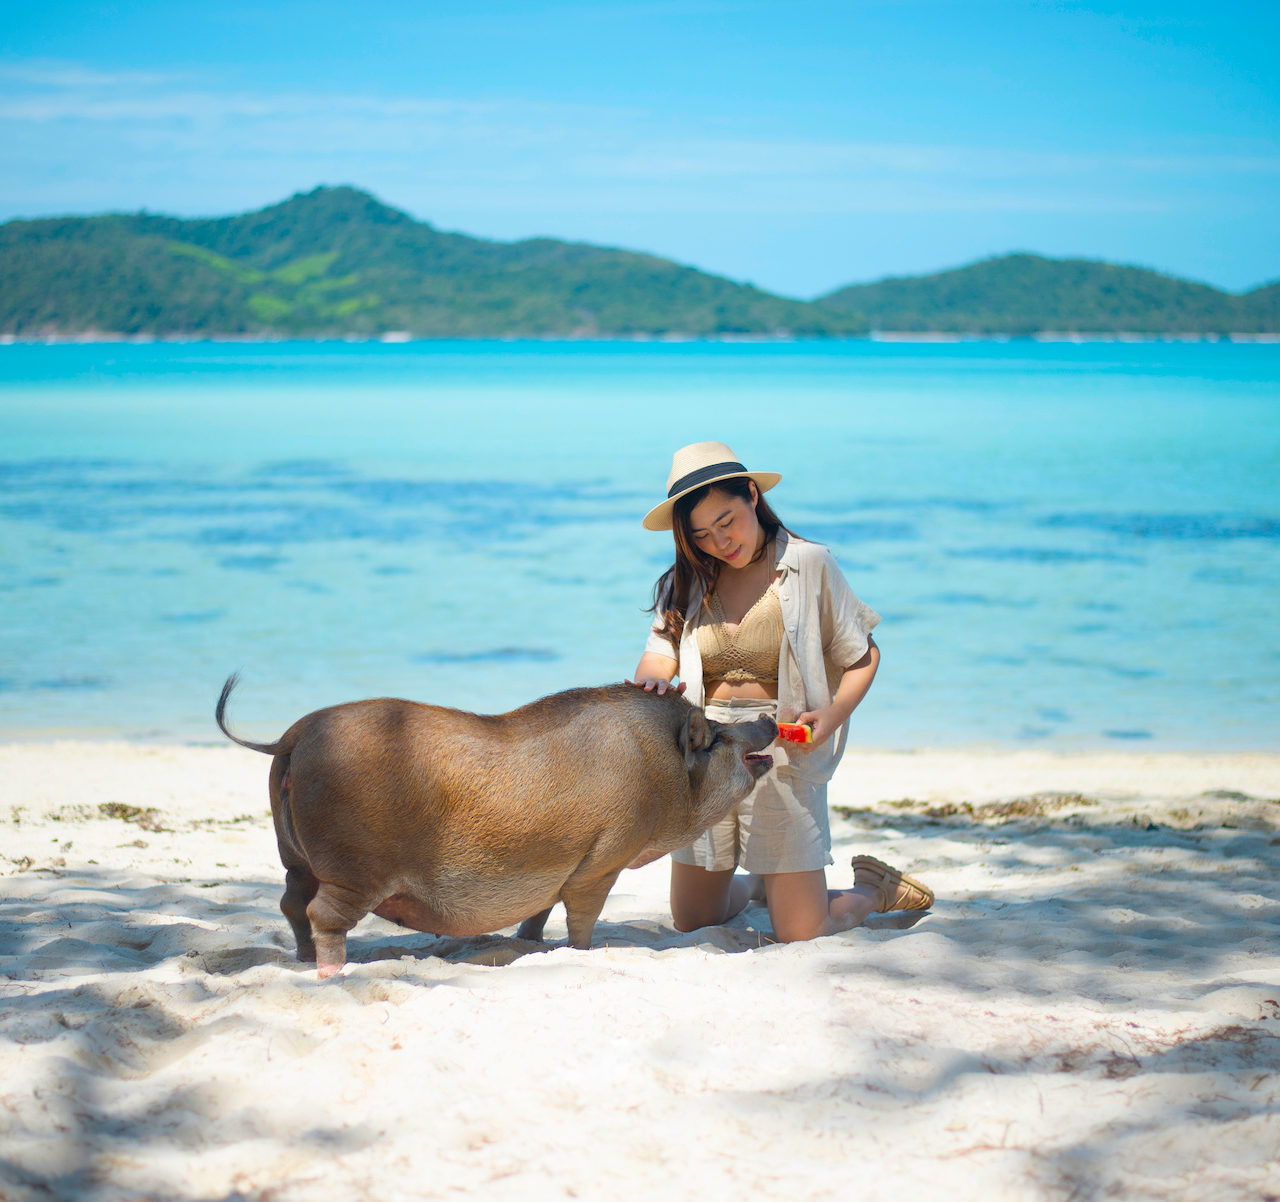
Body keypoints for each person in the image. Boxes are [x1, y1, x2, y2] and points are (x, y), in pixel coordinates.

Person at [628, 441, 933, 942]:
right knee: (694, 921)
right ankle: (761, 884)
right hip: (704, 759)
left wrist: (832, 715)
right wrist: (653, 680)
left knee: (801, 933)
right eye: (701, 535)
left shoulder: (810, 564)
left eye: (726, 522)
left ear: (752, 495)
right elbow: (659, 653)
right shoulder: (687, 579)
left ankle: (875, 889)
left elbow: (863, 656)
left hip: (782, 751)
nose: (719, 542)